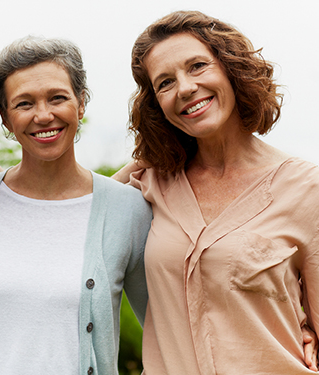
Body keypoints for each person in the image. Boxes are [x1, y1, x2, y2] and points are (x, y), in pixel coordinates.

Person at [115, 10, 319, 374]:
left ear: (231, 69)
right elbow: (70, 209)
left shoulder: (307, 189)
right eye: (165, 83)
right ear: (156, 105)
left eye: (197, 66)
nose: (185, 88)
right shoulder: (151, 183)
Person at [0, 36, 152, 375]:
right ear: (5, 119)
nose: (43, 115)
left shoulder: (129, 211)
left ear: (80, 104)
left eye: (57, 98)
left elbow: (165, 333)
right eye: (24, 104)